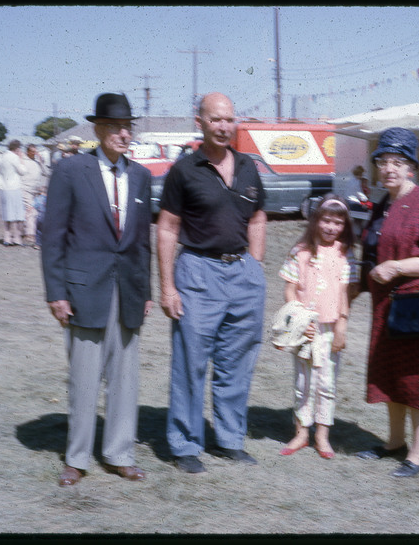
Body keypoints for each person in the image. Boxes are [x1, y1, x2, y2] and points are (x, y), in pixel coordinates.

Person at [41, 93, 154, 487]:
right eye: (116, 127)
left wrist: (146, 291)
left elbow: (141, 241)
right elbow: (53, 236)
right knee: (84, 378)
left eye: (128, 127)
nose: (124, 134)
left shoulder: (141, 176)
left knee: (125, 378)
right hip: (83, 291)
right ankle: (77, 458)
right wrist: (56, 291)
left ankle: (120, 454)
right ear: (98, 130)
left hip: (128, 292)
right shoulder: (71, 171)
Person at [157, 92, 267, 474]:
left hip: (242, 274)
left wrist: (254, 264)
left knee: (237, 363)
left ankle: (229, 439)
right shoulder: (184, 170)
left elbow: (257, 217)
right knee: (191, 363)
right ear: (199, 121)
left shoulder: (250, 167)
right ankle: (184, 444)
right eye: (215, 119)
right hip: (198, 273)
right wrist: (168, 287)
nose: (223, 127)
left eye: (229, 120)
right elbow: (168, 227)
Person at [354, 127, 419, 478]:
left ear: (411, 167)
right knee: (391, 376)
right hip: (385, 308)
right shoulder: (384, 203)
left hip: (415, 309)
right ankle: (394, 442)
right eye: (384, 161)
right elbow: (372, 252)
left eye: (398, 162)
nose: (390, 168)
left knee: (416, 381)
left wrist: (396, 267)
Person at [276, 194, 358, 460]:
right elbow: (290, 290)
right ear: (315, 220)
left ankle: (322, 435)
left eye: (337, 223)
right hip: (305, 328)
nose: (331, 227)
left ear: (344, 226)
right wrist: (300, 321)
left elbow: (344, 293)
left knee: (326, 383)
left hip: (330, 328)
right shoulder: (300, 251)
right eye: (326, 220)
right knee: (303, 382)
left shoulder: (344, 254)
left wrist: (342, 326)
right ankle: (301, 432)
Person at [0, 139, 28, 246]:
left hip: (4, 188)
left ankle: (7, 237)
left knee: (7, 213)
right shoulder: (14, 157)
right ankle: (17, 238)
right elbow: (23, 171)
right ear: (18, 148)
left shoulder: (3, 156)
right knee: (17, 214)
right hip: (14, 187)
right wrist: (21, 159)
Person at [20, 144, 48, 247]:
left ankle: (31, 233)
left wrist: (41, 162)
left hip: (36, 191)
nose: (34, 153)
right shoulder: (23, 161)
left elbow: (47, 173)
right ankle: (30, 235)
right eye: (32, 151)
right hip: (26, 190)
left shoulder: (37, 162)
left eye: (35, 151)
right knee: (31, 211)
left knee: (36, 213)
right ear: (27, 151)